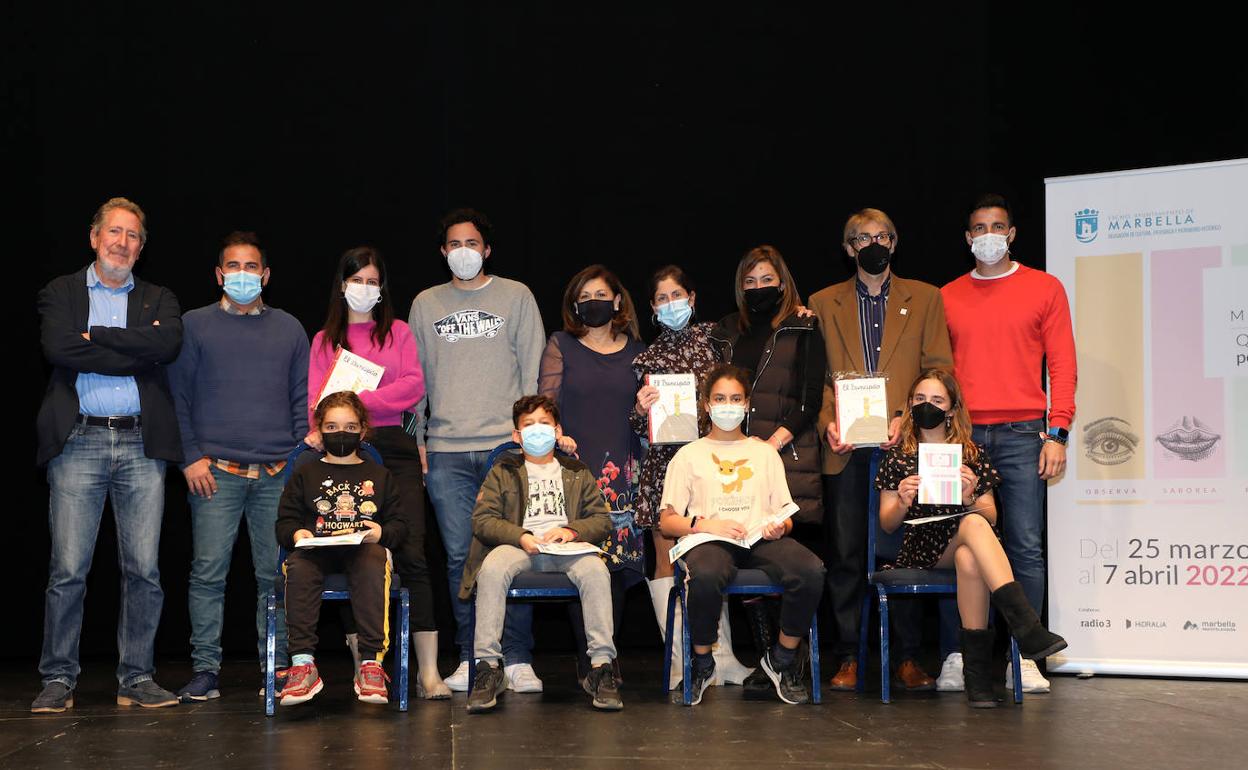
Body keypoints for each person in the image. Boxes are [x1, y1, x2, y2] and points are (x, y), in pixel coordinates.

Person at [33, 197, 184, 713]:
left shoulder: (160, 297)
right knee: (68, 568)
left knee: (144, 569)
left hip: (143, 444)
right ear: (94, 237)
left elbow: (165, 349)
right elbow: (59, 349)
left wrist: (95, 336)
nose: (122, 242)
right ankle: (58, 678)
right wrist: (132, 348)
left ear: (142, 247)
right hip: (79, 440)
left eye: (133, 235)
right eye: (114, 232)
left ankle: (136, 678)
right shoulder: (62, 291)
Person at [808, 208, 953, 692]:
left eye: (884, 236)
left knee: (903, 549)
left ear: (895, 243)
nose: (875, 244)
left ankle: (907, 657)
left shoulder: (926, 298)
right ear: (849, 248)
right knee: (847, 552)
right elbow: (821, 380)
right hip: (846, 446)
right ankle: (849, 654)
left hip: (906, 442)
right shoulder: (822, 302)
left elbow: (938, 370)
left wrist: (906, 417)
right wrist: (830, 422)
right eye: (864, 238)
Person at [938, 194, 1077, 694]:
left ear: (1013, 234)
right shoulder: (947, 295)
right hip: (962, 436)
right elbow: (937, 371)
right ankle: (957, 654)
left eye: (998, 226)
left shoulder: (1045, 287)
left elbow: (1062, 364)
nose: (989, 234)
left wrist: (1057, 431)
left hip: (1024, 432)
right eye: (979, 227)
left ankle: (1027, 657)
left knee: (1024, 545)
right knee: (953, 543)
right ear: (968, 238)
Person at [407, 208, 546, 693]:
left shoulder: (517, 296)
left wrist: (528, 435)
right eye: (453, 244)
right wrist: (420, 442)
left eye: (472, 242)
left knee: (512, 549)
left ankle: (516, 657)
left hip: (504, 447)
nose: (463, 251)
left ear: (486, 249)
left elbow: (533, 372)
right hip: (445, 449)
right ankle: (471, 656)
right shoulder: (425, 303)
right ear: (443, 251)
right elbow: (416, 380)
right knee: (457, 557)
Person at [169, 231, 308, 702]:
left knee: (277, 575)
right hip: (214, 474)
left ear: (266, 275)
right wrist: (189, 457)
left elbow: (299, 402)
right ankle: (206, 669)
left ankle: (278, 666)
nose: (242, 275)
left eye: (252, 267)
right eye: (233, 266)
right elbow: (178, 399)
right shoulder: (193, 325)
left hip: (276, 475)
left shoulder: (289, 328)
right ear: (218, 274)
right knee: (208, 573)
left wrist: (295, 466)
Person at [875, 369, 1067, 708]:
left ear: (951, 409)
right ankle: (1025, 626)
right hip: (920, 542)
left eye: (936, 400)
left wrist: (968, 496)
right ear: (909, 405)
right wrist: (903, 500)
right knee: (975, 528)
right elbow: (887, 524)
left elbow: (990, 513)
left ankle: (977, 680)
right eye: (919, 399)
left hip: (959, 540)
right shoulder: (899, 455)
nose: (927, 406)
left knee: (970, 554)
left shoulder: (970, 453)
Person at [308, 246, 449, 699]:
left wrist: (354, 401)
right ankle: (364, 665)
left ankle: (428, 672)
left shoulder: (400, 332)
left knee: (410, 551)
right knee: (351, 547)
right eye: (357, 280)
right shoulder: (324, 340)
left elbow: (413, 387)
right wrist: (347, 410)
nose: (365, 289)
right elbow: (317, 402)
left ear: (381, 287)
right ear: (342, 284)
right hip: (343, 448)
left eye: (373, 281)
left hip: (394, 445)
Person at [658, 364, 825, 705]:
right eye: (720, 398)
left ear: (747, 403)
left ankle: (780, 659)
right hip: (710, 539)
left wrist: (781, 526)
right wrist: (703, 525)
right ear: (706, 404)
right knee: (705, 574)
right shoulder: (688, 455)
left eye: (735, 398)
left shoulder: (763, 452)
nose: (727, 405)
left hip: (761, 538)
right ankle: (703, 662)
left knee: (810, 570)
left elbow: (786, 512)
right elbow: (667, 521)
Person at [459, 395, 622, 712]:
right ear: (516, 436)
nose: (537, 431)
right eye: (528, 425)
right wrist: (520, 535)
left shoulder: (576, 470)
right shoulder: (503, 471)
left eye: (544, 424)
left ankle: (601, 667)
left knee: (596, 571)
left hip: (568, 548)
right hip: (519, 547)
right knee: (491, 568)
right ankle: (488, 667)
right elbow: (483, 520)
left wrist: (572, 530)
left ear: (558, 430)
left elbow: (602, 520)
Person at [630, 265, 751, 688]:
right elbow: (635, 426)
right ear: (651, 308)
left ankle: (723, 656)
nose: (670, 304)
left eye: (677, 295)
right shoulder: (645, 359)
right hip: (664, 468)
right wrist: (641, 410)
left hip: (713, 466)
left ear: (693, 297)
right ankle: (681, 661)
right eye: (661, 299)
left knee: (710, 557)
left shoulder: (716, 341)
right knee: (666, 560)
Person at [537, 265, 646, 683]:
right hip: (575, 468)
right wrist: (556, 436)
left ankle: (606, 656)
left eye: (601, 294)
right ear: (574, 305)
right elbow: (546, 405)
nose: (593, 302)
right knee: (580, 560)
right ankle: (587, 656)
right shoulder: (561, 344)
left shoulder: (640, 351)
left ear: (618, 302)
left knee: (615, 568)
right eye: (584, 296)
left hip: (625, 469)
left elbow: (647, 414)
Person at [275, 391, 410, 706]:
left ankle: (371, 664)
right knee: (297, 565)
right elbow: (284, 524)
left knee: (375, 559)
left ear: (363, 431)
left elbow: (401, 526)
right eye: (332, 426)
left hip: (363, 551)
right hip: (316, 551)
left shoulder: (380, 475)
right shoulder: (305, 473)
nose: (341, 434)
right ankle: (302, 664)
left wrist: (382, 532)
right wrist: (299, 534)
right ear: (320, 429)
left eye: (350, 427)